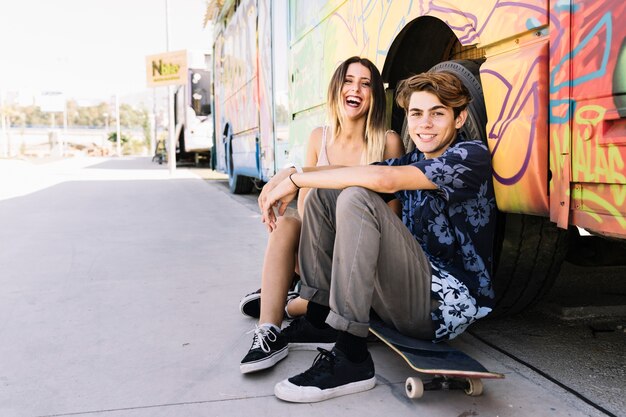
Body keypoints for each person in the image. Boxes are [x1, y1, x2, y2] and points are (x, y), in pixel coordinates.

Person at [260, 71, 497, 403]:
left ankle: (352, 356)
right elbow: (353, 172)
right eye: (417, 114)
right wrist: (294, 173)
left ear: (459, 119)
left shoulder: (470, 156)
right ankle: (317, 316)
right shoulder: (414, 158)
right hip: (410, 288)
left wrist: (297, 181)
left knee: (357, 196)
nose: (425, 124)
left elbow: (384, 178)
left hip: (443, 304)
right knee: (326, 193)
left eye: (437, 113)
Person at [239, 56, 404, 374]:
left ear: (374, 95)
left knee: (302, 303)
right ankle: (269, 330)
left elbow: (392, 221)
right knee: (288, 221)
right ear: (337, 88)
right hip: (318, 259)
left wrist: (294, 172)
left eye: (365, 83)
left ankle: (287, 300)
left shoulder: (387, 141)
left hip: (361, 260)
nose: (355, 88)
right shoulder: (320, 138)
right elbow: (306, 211)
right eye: (349, 80)